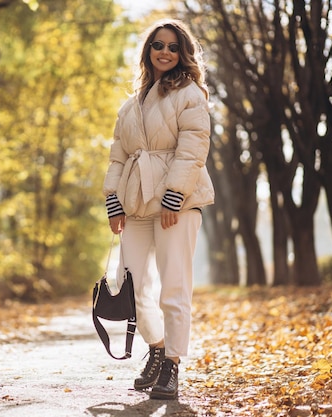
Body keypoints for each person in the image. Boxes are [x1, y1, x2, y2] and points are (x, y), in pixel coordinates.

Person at [103, 19, 214, 400]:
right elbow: (118, 157)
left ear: (182, 53)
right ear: (148, 51)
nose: (164, 52)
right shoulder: (129, 105)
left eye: (172, 46)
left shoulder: (190, 93)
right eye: (157, 45)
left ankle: (172, 364)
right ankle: (156, 348)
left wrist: (174, 195)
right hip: (134, 202)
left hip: (176, 203)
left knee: (174, 286)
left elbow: (194, 145)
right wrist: (112, 201)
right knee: (129, 285)